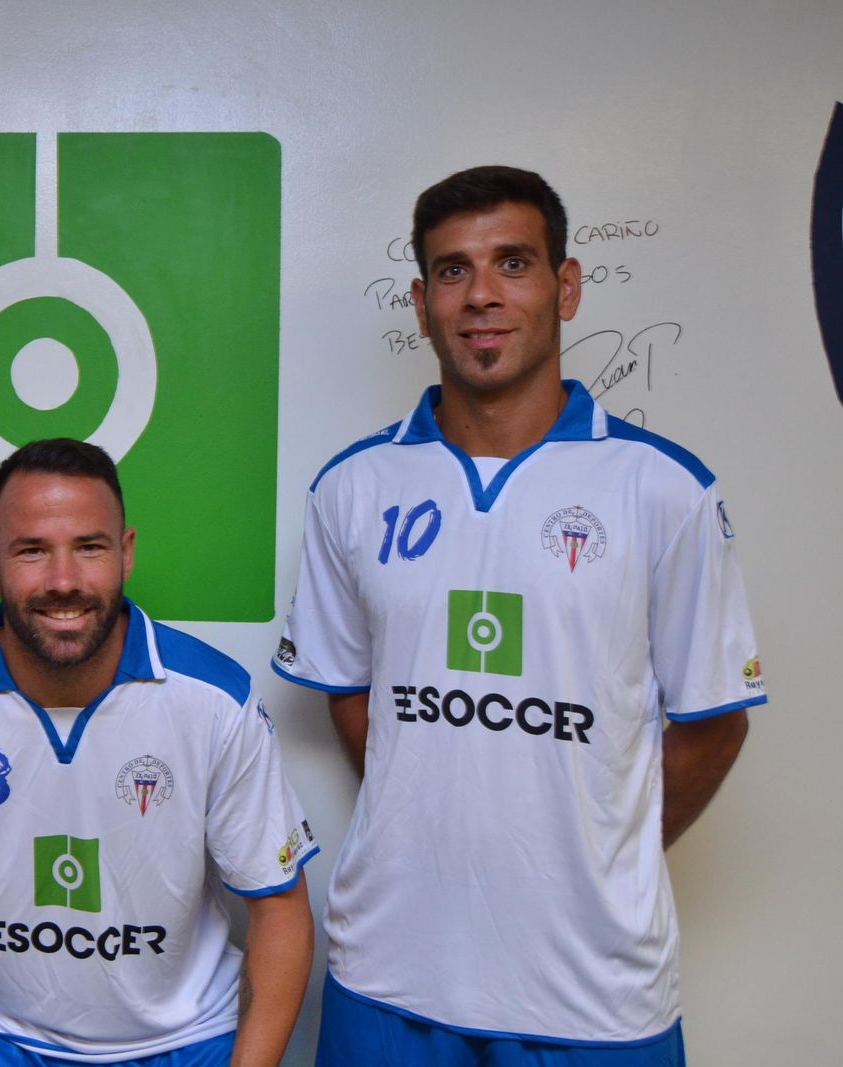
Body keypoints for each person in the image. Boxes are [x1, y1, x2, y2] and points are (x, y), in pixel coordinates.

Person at [274, 165, 764, 1065]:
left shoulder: (664, 489)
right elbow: (351, 695)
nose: (482, 295)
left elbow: (713, 723)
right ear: (421, 304)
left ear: (565, 286)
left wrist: (599, 851)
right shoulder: (352, 488)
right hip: (389, 971)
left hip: (594, 990)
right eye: (453, 271)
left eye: (513, 262)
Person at [0, 439, 316, 1066]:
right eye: (33, 551)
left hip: (184, 1044)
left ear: (125, 553)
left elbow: (280, 908)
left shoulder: (214, 702)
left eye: (89, 547)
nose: (63, 581)